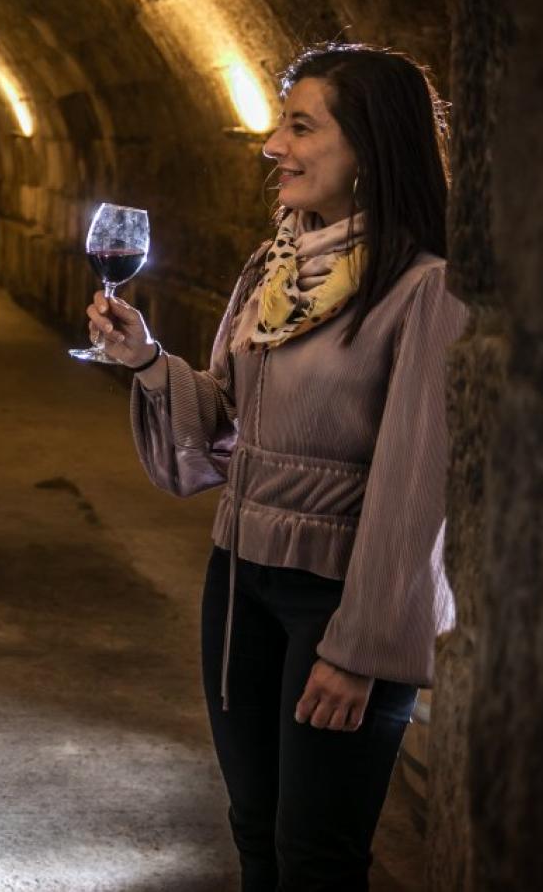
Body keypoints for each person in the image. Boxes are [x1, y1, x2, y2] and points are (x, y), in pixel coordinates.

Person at [88, 43, 468, 891]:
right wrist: (147, 360)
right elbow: (227, 423)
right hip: (239, 580)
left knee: (317, 858)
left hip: (338, 600)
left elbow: (416, 489)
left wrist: (362, 648)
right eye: (278, 124)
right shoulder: (275, 270)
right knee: (254, 831)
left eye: (300, 126)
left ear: (370, 147)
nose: (272, 146)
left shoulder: (424, 292)